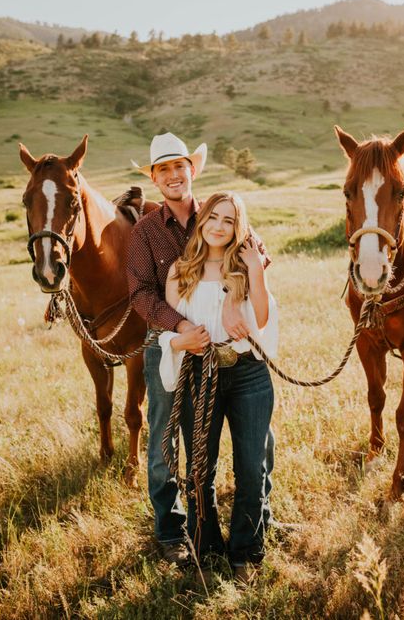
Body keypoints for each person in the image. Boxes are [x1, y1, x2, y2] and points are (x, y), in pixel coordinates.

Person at [126, 132, 274, 567]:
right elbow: (140, 294)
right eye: (164, 169)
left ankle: (257, 516)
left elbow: (258, 255)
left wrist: (231, 294)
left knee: (257, 441)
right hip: (170, 342)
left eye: (180, 166)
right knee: (165, 438)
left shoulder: (218, 210)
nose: (173, 176)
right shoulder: (145, 233)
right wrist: (181, 327)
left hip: (230, 348)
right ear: (154, 179)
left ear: (193, 170)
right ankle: (174, 531)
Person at [159, 191, 278, 579]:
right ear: (202, 219)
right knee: (199, 470)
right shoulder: (180, 271)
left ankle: (246, 552)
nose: (219, 226)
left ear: (237, 228)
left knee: (250, 467)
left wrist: (254, 275)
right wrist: (183, 340)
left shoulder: (245, 268)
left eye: (229, 220)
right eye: (214, 217)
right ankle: (205, 550)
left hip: (247, 374)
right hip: (200, 374)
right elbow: (172, 331)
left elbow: (261, 319)